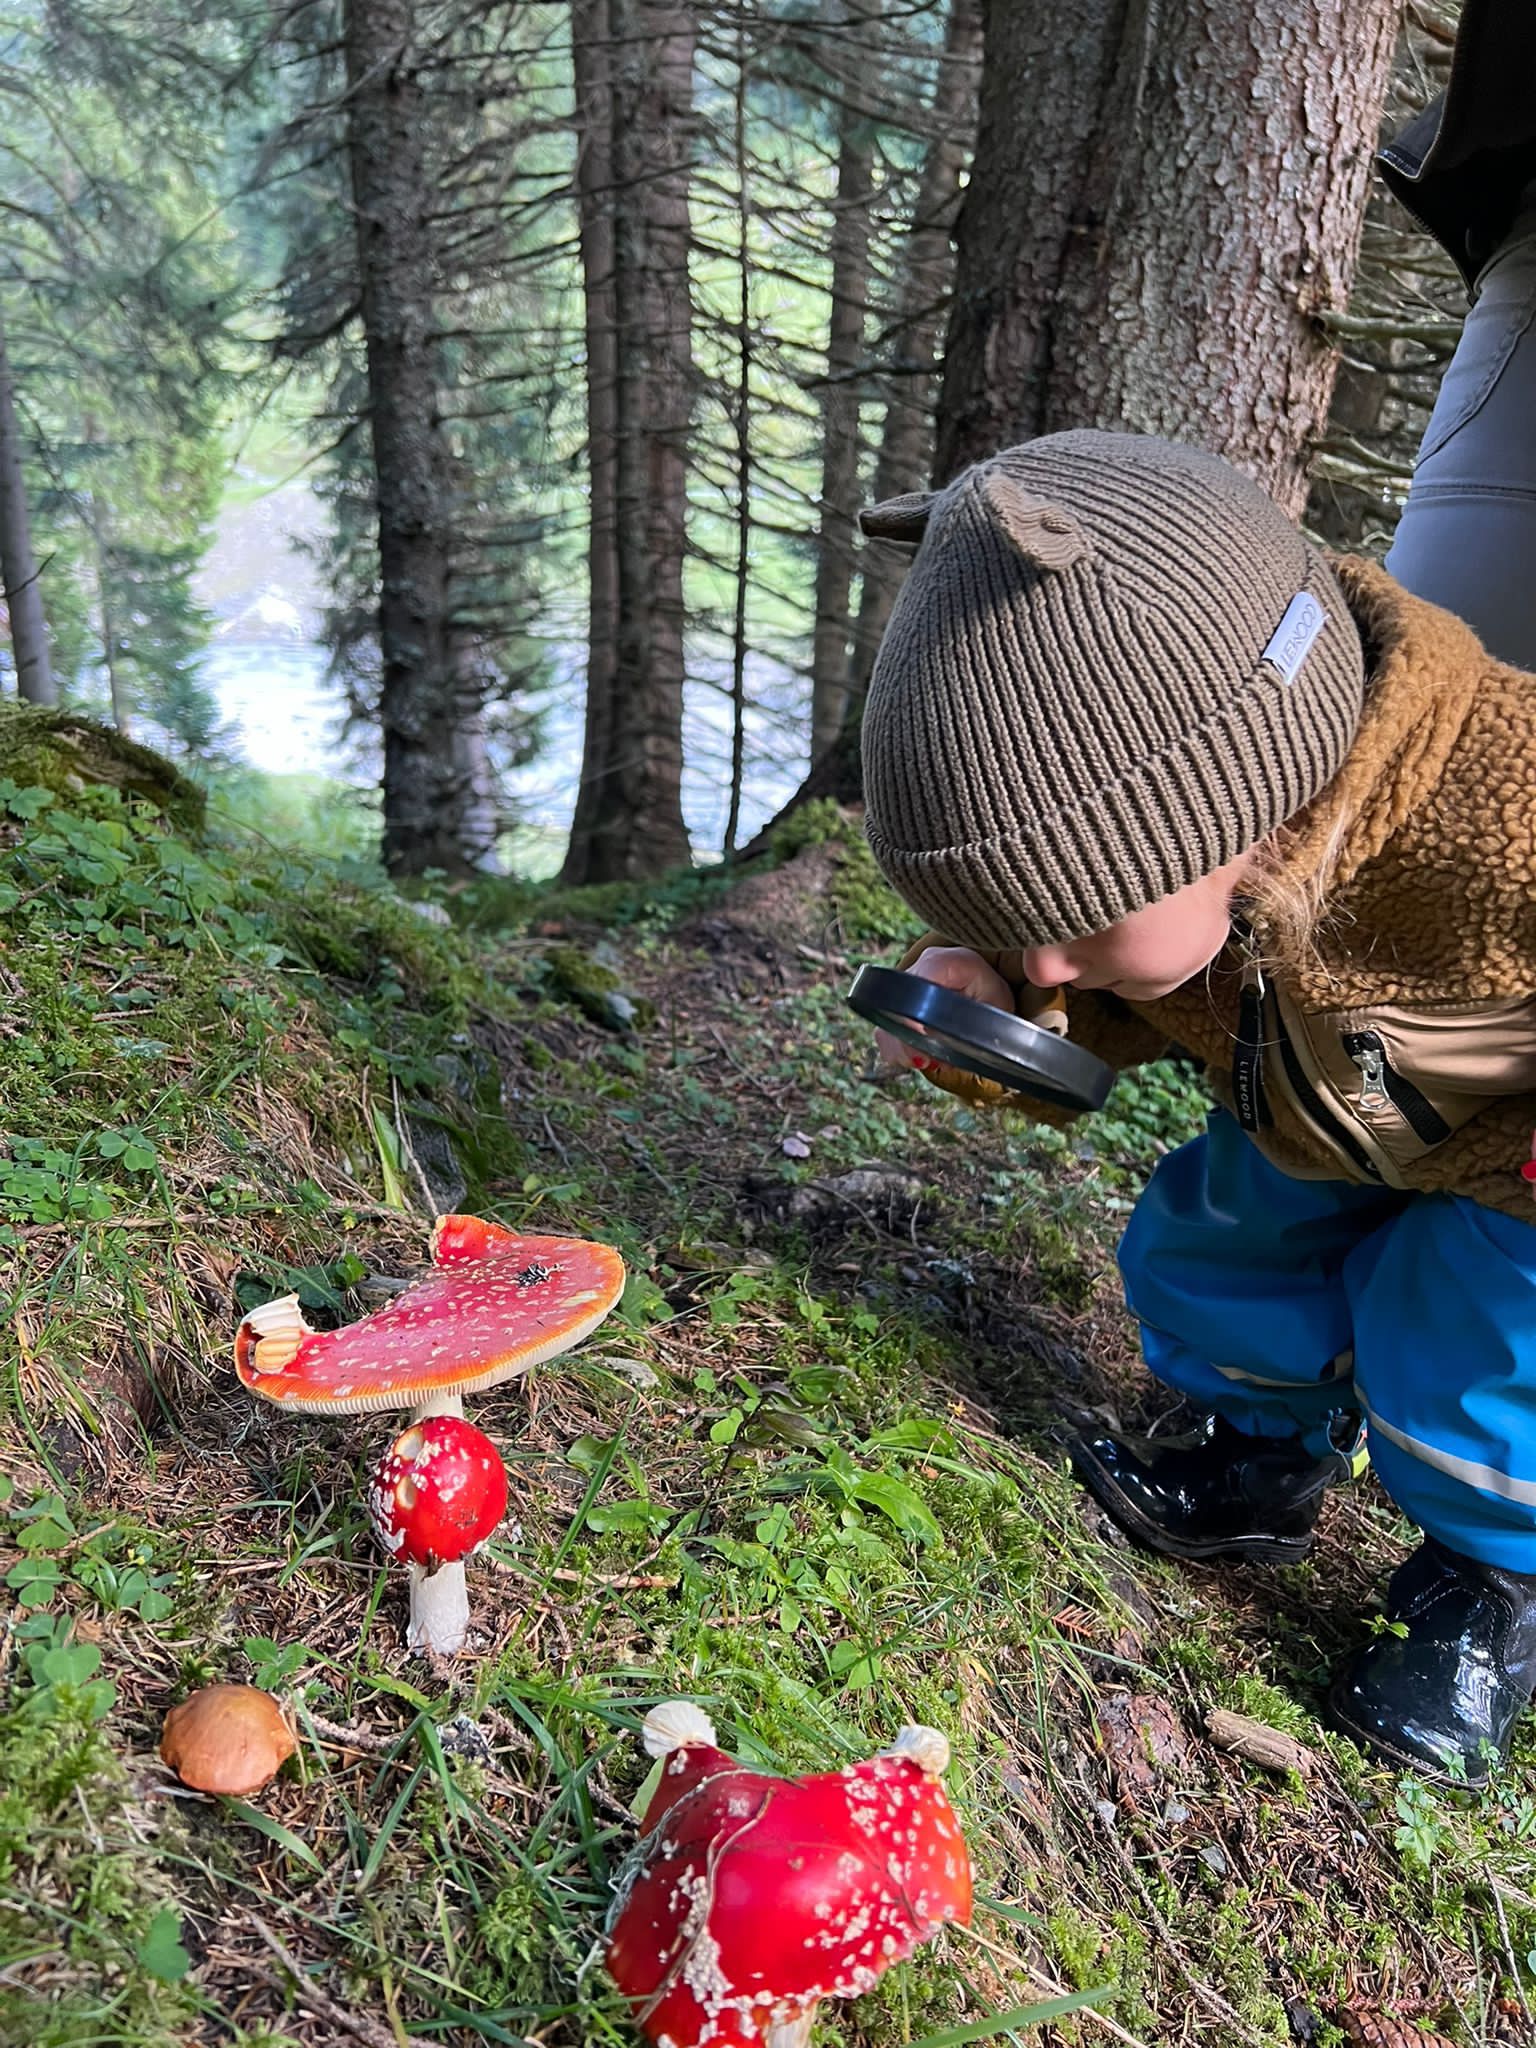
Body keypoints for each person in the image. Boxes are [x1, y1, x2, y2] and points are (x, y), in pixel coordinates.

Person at [857, 428, 1536, 1787]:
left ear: (1236, 805)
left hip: (1508, 1156)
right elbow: (1110, 982)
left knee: (1472, 1346)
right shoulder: (1187, 864)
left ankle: (1488, 1590)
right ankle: (1257, 1459)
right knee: (1218, 1243)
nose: (1048, 962)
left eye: (1070, 922)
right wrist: (996, 998)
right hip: (1316, 1105)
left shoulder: (1503, 806)